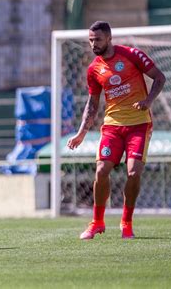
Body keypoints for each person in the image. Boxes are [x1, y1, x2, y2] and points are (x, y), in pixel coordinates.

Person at [67, 21, 166, 240]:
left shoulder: (132, 55)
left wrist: (148, 101)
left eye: (98, 40)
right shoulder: (94, 69)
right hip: (112, 125)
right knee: (101, 170)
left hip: (139, 124)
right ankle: (97, 222)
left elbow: (160, 78)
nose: (93, 44)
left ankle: (126, 223)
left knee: (133, 172)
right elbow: (92, 104)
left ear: (109, 38)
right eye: (91, 40)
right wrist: (81, 133)